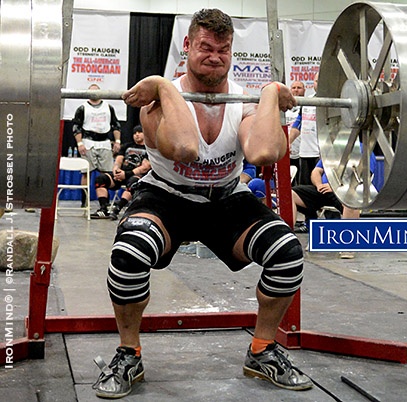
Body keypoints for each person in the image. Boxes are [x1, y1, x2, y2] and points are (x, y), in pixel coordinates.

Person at [92, 8, 313, 399]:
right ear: (187, 45)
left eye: (224, 50)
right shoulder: (155, 100)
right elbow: (184, 148)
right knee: (128, 254)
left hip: (226, 200)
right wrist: (163, 83)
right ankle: (129, 353)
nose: (215, 57)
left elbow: (263, 151)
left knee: (287, 252)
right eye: (206, 48)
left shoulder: (242, 100)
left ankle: (262, 350)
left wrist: (267, 94)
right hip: (166, 195)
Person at [72, 84, 122, 207]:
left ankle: (104, 203)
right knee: (86, 173)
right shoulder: (82, 108)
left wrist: (117, 141)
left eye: (96, 91)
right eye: (91, 92)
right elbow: (76, 127)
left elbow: (115, 125)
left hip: (104, 142)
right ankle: (84, 202)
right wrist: (80, 143)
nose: (94, 94)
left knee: (106, 173)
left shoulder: (108, 108)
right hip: (88, 142)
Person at [90, 125, 151, 220]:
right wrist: (116, 171)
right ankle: (103, 209)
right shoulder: (127, 146)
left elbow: (145, 167)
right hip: (121, 175)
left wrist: (126, 174)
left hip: (136, 176)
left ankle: (117, 209)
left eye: (139, 132)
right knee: (101, 179)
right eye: (135, 133)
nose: (137, 135)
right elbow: (118, 160)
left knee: (133, 183)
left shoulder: (149, 149)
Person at [289, 72, 320, 185]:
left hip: (320, 154)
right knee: (303, 188)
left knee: (319, 190)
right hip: (305, 153)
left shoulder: (331, 102)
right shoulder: (308, 101)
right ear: (313, 83)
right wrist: (289, 142)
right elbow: (298, 124)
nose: (318, 84)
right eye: (316, 81)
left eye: (321, 81)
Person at [286, 81, 305, 186]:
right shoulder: (284, 108)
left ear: (304, 90)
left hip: (302, 151)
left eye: (299, 87)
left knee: (300, 182)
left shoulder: (306, 107)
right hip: (287, 151)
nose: (296, 90)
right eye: (293, 88)